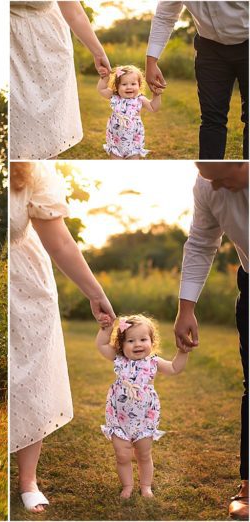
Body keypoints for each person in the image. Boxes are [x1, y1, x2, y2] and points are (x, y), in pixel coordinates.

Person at [9, 162, 116, 513]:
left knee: (28, 377)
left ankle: (28, 480)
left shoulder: (30, 172)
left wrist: (95, 292)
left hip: (24, 286)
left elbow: (61, 242)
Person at [174, 161, 249, 518]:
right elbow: (202, 243)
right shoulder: (207, 186)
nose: (215, 187)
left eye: (221, 177)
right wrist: (185, 309)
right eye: (208, 177)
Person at [95, 314, 188, 499]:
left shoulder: (153, 362)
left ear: (152, 342)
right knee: (122, 455)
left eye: (143, 339)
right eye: (131, 340)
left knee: (143, 454)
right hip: (119, 418)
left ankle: (146, 486)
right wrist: (105, 329)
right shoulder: (119, 359)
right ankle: (127, 486)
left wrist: (183, 352)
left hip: (145, 418)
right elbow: (101, 345)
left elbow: (174, 368)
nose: (137, 344)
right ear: (121, 344)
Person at [146, 1, 249, 159]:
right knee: (211, 118)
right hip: (210, 48)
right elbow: (164, 17)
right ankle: (211, 178)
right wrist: (151, 62)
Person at [10, 1, 112, 159]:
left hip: (48, 46)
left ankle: (43, 176)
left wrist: (98, 52)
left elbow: (75, 13)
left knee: (48, 129)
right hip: (10, 44)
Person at [97, 65, 164, 159]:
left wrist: (156, 95)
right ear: (117, 86)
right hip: (115, 141)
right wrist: (105, 78)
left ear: (139, 85)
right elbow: (101, 89)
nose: (129, 87)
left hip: (133, 141)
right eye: (124, 84)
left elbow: (154, 108)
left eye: (133, 84)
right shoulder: (114, 96)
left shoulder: (139, 99)